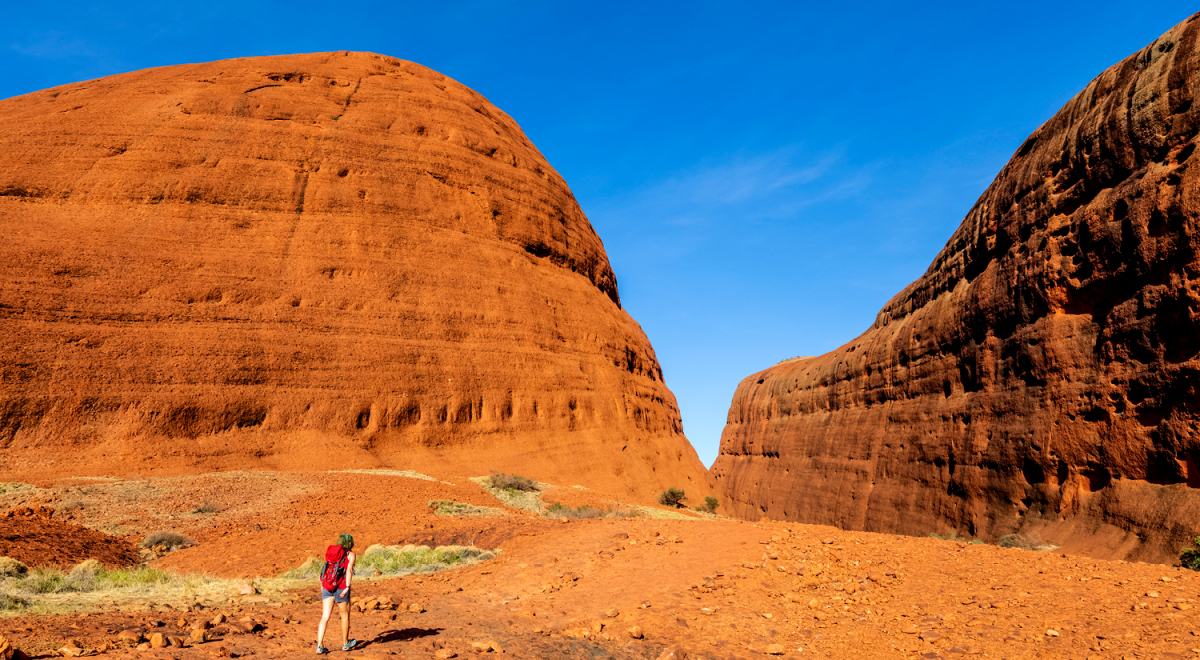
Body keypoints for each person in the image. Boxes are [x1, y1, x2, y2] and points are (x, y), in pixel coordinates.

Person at [315, 533, 358, 654]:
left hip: (327, 587)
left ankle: (319, 646)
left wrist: (322, 585)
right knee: (344, 616)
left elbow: (325, 569)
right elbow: (349, 570)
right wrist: (347, 587)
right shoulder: (350, 554)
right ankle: (345, 643)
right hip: (341, 588)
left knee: (325, 617)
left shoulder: (331, 553)